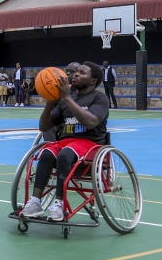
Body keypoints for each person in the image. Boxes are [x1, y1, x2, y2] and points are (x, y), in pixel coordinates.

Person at [19, 62, 109, 222]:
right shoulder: (66, 101)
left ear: (93, 80)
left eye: (82, 73)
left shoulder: (99, 98)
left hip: (90, 145)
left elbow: (91, 122)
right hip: (67, 143)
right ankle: (35, 202)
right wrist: (49, 101)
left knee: (64, 154)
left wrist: (66, 97)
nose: (75, 74)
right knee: (46, 153)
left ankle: (59, 204)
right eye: (76, 72)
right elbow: (44, 126)